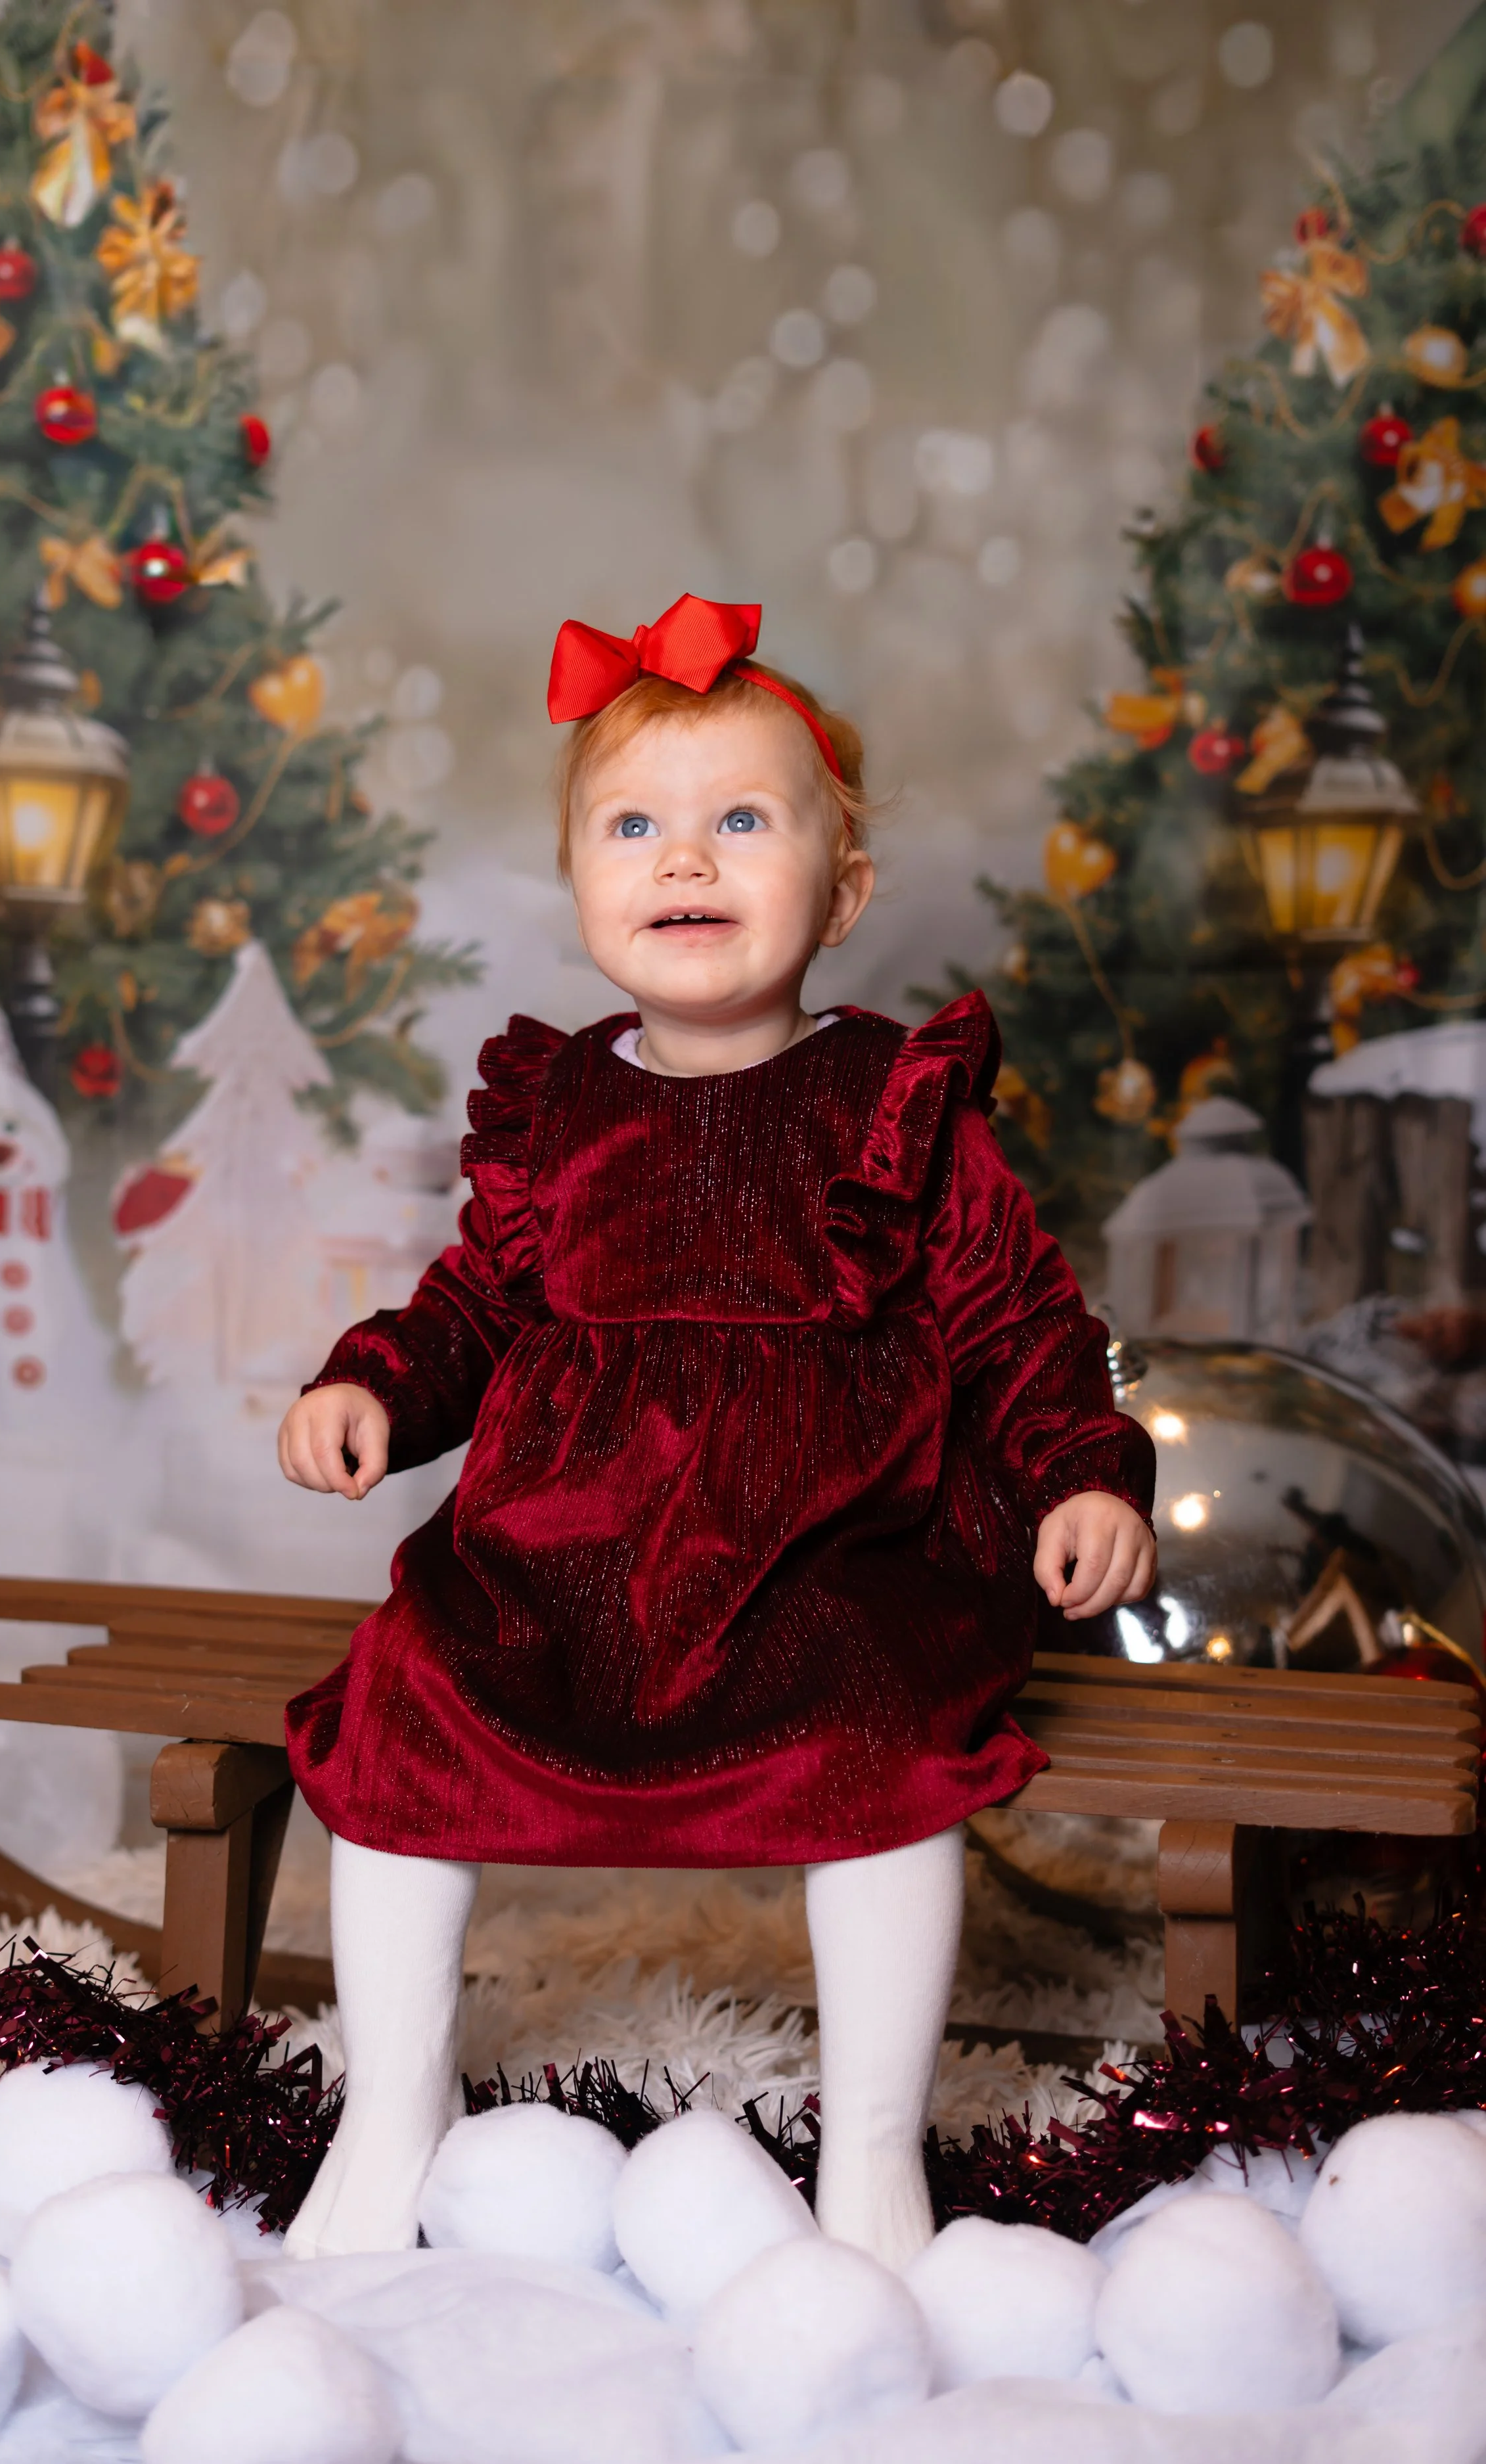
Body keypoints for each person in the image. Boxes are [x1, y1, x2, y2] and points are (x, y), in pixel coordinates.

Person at [277, 594, 1157, 2268]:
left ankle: (872, 2156)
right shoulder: (561, 1110)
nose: (684, 857)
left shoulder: (890, 1106)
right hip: (555, 1564)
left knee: (883, 1743)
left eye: (740, 821)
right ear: (582, 879)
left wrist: (1083, 1470)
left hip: (823, 1560)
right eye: (634, 825)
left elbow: (1019, 1324)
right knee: (402, 1705)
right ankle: (391, 2111)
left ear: (843, 888)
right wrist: (374, 1388)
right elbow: (471, 1307)